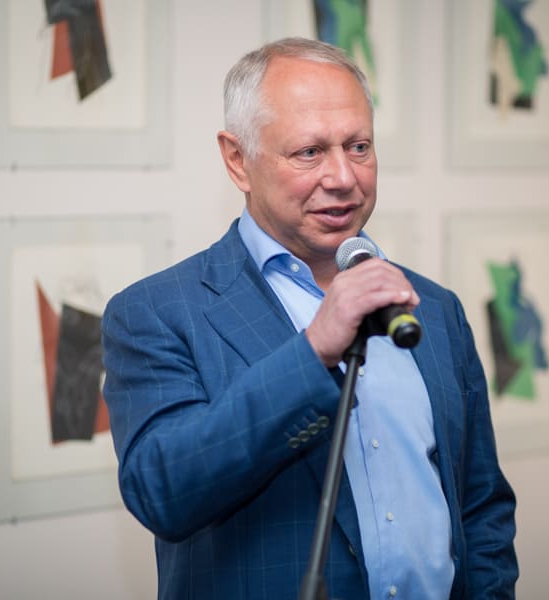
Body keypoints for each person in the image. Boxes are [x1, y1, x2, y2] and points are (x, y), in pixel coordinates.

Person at [102, 37, 518, 600]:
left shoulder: (434, 307)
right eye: (309, 152)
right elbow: (163, 493)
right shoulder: (158, 311)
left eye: (359, 146)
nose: (343, 176)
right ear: (237, 160)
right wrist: (314, 351)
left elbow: (481, 504)